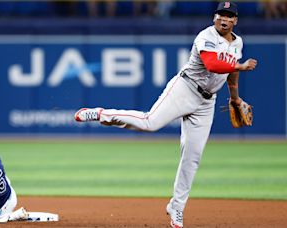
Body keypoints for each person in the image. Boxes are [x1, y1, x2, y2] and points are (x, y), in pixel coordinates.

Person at [74, 2, 257, 228]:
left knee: (193, 156)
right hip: (185, 88)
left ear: (235, 21)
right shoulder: (206, 36)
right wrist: (240, 66)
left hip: (207, 102)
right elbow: (212, 64)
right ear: (214, 17)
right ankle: (102, 114)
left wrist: (235, 98)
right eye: (221, 14)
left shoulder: (238, 42)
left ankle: (177, 208)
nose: (224, 19)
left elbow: (229, 72)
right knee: (150, 122)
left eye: (229, 16)